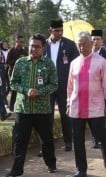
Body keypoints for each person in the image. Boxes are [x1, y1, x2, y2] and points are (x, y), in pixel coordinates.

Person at [6, 33, 58, 177]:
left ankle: (51, 163)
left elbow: (54, 84)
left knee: (47, 140)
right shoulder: (20, 62)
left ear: (43, 48)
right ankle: (16, 170)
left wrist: (39, 92)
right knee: (20, 141)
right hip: (23, 109)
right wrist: (25, 90)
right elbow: (13, 82)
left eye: (37, 46)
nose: (33, 49)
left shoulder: (48, 64)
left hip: (42, 110)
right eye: (31, 46)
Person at [67, 32, 106, 177]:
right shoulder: (74, 63)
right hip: (76, 106)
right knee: (78, 140)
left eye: (84, 44)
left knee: (101, 134)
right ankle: (81, 169)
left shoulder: (101, 61)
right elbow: (70, 86)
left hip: (95, 106)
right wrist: (68, 103)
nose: (81, 47)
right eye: (79, 44)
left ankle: (105, 151)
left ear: (91, 44)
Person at [44, 19, 79, 152]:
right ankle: (46, 145)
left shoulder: (69, 44)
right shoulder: (43, 45)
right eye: (57, 30)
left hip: (64, 86)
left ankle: (68, 142)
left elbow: (76, 64)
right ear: (50, 30)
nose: (59, 32)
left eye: (61, 30)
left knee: (66, 115)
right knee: (47, 116)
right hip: (47, 87)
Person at [6, 36, 28, 112]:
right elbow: (7, 62)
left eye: (23, 42)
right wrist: (18, 59)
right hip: (12, 73)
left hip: (22, 74)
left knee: (21, 90)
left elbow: (28, 60)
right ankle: (11, 106)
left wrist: (24, 58)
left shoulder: (24, 51)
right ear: (16, 41)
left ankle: (20, 106)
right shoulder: (11, 51)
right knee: (14, 90)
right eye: (20, 41)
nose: (21, 43)